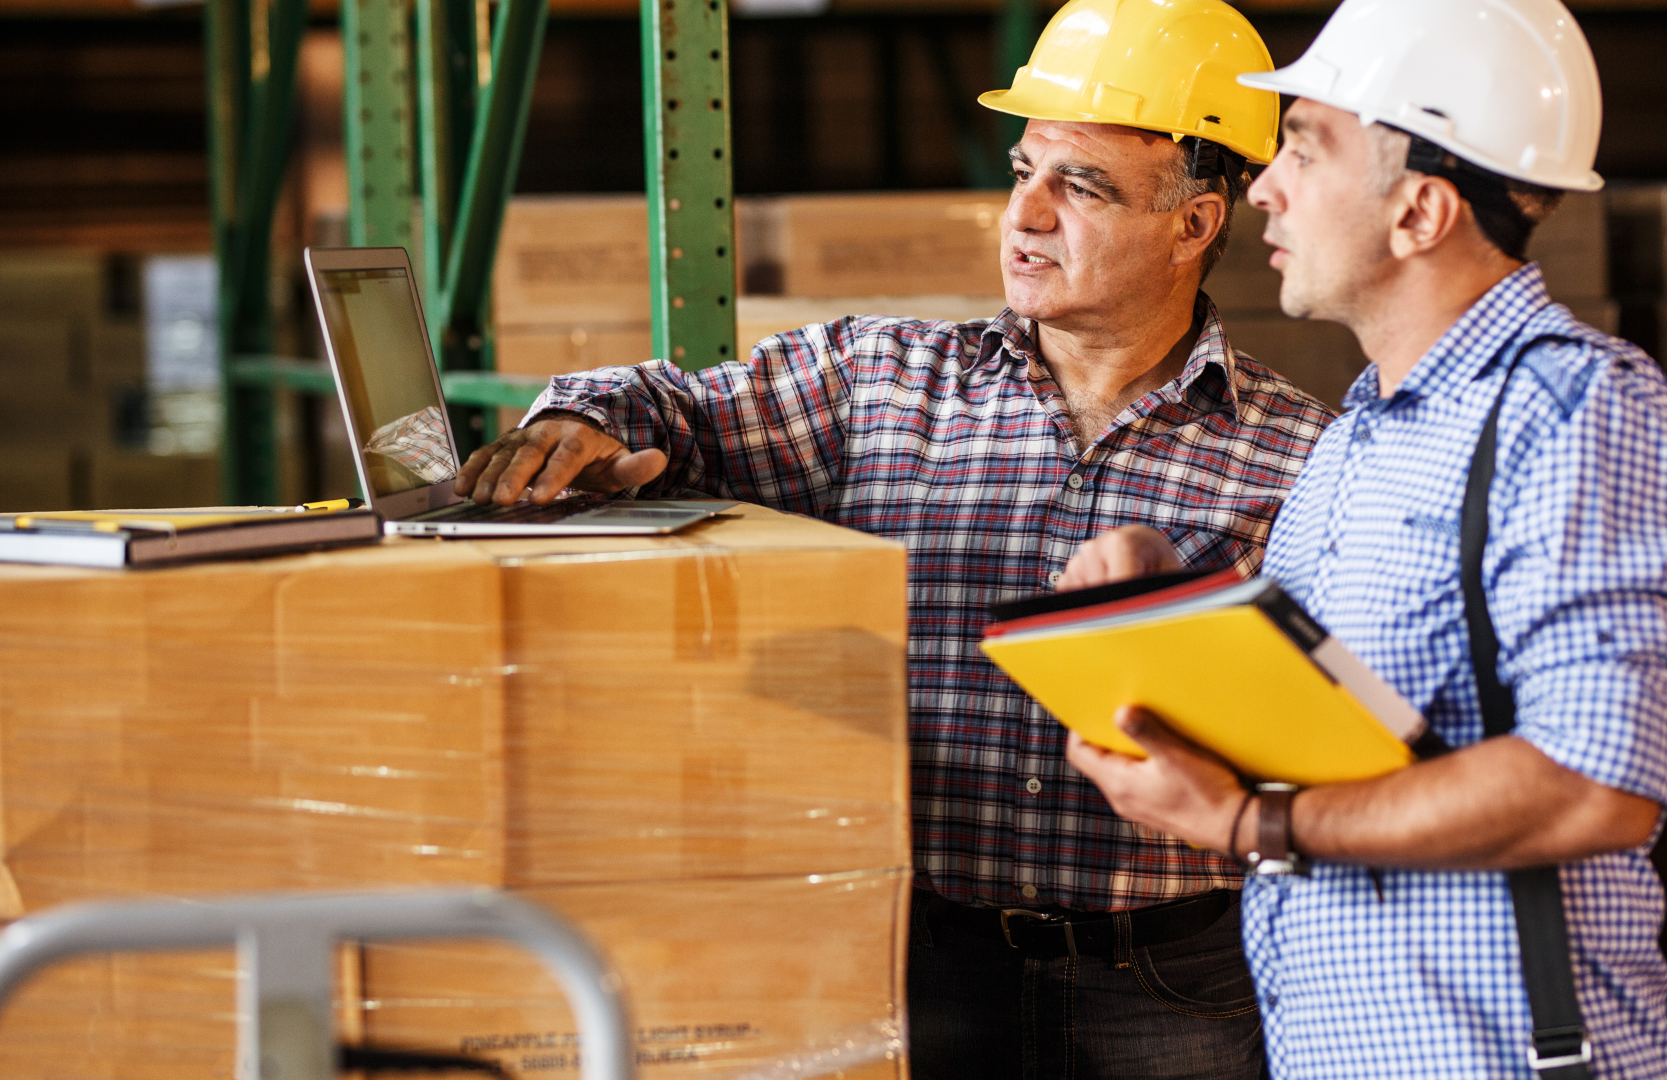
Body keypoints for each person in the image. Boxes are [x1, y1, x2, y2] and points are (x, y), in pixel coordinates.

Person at [451, 0, 1335, 1073]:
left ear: (1194, 224)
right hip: (920, 957)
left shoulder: (1301, 454)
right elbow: (666, 403)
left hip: (1172, 974)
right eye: (1023, 171)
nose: (1027, 215)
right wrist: (577, 422)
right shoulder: (880, 381)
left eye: (1082, 186)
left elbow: (1325, 737)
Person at [1063, 0, 1667, 1076]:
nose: (1261, 186)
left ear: (1419, 211)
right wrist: (1161, 613)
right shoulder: (1357, 436)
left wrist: (1252, 826)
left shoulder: (1575, 410)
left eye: (1306, 148)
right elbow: (1336, 717)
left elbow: (1593, 783)